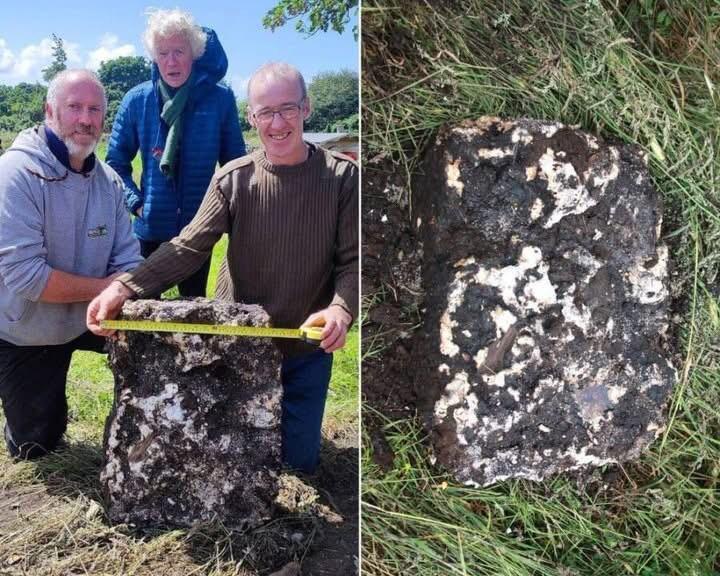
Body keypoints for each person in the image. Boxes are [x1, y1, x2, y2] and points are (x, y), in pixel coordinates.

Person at [88, 62, 358, 474]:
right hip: (239, 343)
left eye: (287, 108)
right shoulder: (233, 179)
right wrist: (124, 287)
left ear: (307, 108)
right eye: (264, 112)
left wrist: (341, 308)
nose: (277, 123)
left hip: (307, 346)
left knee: (299, 464)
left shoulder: (344, 177)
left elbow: (355, 261)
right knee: (238, 460)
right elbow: (188, 246)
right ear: (251, 118)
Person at [0, 69, 143, 459]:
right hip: (28, 328)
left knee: (156, 343)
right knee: (34, 446)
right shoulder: (15, 174)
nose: (85, 119)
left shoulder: (109, 181)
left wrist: (120, 289)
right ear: (50, 111)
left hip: (94, 314)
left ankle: (148, 438)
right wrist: (109, 286)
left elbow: (131, 259)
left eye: (94, 109)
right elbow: (27, 277)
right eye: (74, 107)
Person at [107, 8, 245, 298]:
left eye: (179, 51)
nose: (171, 61)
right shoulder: (137, 100)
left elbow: (236, 165)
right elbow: (115, 163)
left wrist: (221, 214)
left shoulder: (220, 99)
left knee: (192, 312)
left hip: (198, 232)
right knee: (141, 312)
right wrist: (136, 203)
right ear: (154, 57)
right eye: (163, 53)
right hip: (149, 229)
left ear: (193, 53)